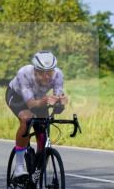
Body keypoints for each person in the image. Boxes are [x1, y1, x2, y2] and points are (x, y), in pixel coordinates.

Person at [6, 51, 68, 182]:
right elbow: (31, 104)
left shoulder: (58, 75)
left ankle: (37, 179)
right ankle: (19, 167)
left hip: (39, 99)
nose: (47, 76)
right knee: (27, 118)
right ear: (35, 71)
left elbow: (57, 102)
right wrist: (45, 101)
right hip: (18, 97)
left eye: (49, 72)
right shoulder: (24, 73)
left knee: (44, 135)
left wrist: (60, 104)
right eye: (42, 72)